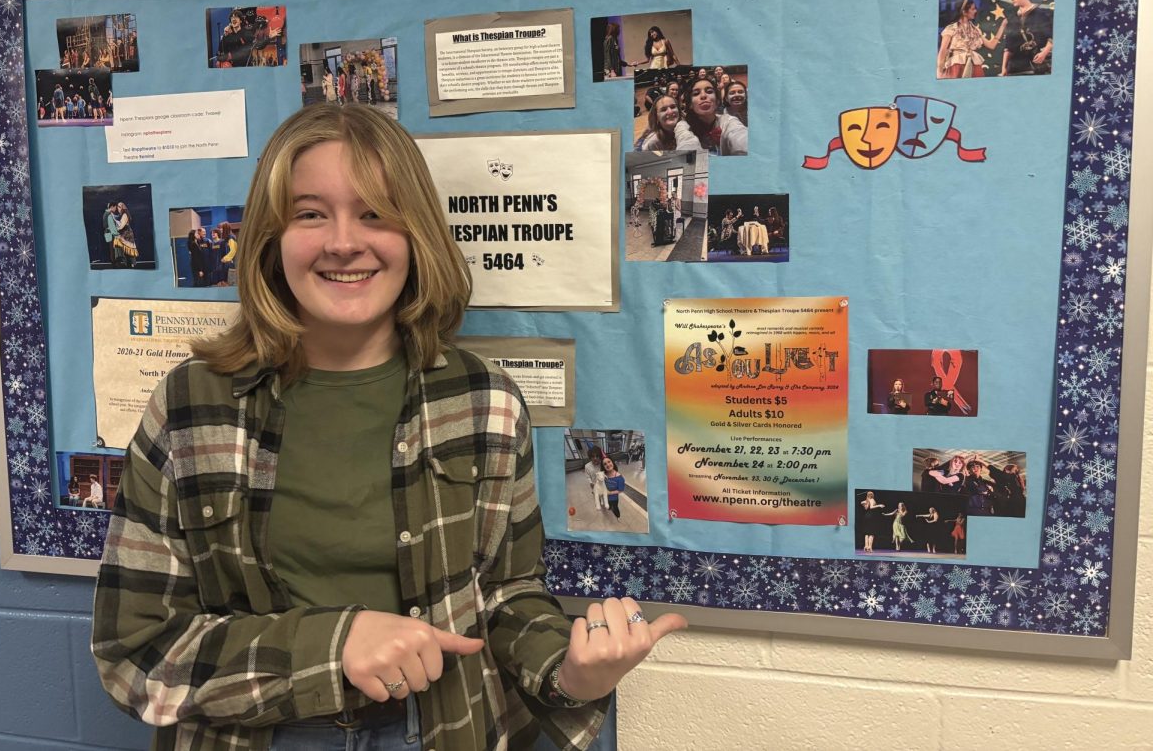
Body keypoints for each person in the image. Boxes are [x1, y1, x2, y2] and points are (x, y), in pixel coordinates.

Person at [91, 103, 685, 751]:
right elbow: (137, 649)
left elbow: (508, 597)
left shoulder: (483, 401)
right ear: (270, 239)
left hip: (443, 728)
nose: (345, 241)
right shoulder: (190, 405)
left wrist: (570, 672)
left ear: (415, 236)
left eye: (374, 213)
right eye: (311, 214)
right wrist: (333, 648)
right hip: (254, 735)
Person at [937, 0, 1006, 78]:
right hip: (957, 65)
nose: (975, 11)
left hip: (974, 65)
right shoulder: (951, 28)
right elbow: (942, 51)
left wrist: (1002, 26)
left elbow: (991, 45)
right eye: (973, 9)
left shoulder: (975, 30)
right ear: (964, 12)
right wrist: (939, 71)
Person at [683, 75, 747, 156]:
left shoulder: (728, 121)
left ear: (717, 101)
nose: (703, 96)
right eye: (696, 93)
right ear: (690, 104)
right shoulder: (683, 125)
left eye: (709, 91)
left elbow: (739, 135)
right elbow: (685, 142)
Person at [1001, 0, 1053, 76]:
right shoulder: (1012, 18)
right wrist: (1003, 68)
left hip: (1037, 67)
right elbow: (1008, 47)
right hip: (1014, 69)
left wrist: (1044, 53)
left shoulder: (1042, 13)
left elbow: (1052, 37)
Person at [111, 201, 138, 267]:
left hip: (127, 234)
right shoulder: (122, 215)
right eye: (117, 207)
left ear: (123, 208)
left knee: (129, 249)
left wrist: (116, 229)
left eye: (119, 207)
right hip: (123, 233)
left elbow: (122, 226)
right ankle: (127, 263)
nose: (118, 208)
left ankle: (132, 264)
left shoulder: (125, 215)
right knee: (124, 249)